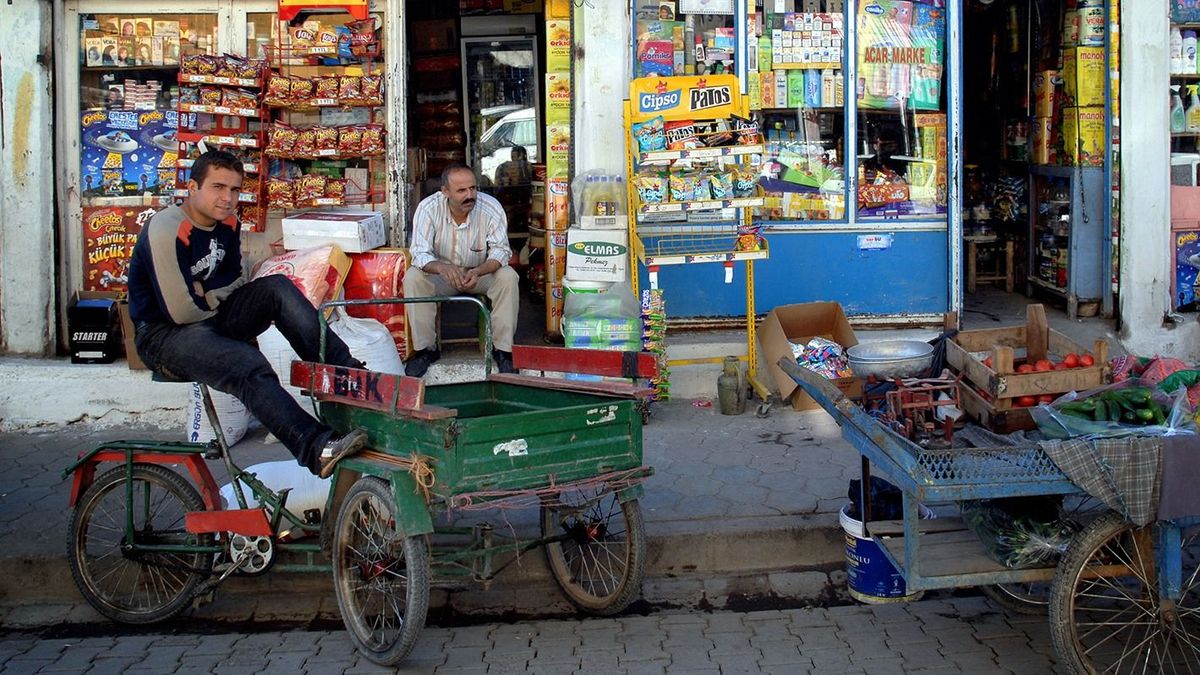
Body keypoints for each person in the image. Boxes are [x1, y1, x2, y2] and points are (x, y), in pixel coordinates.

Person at [127, 150, 367, 478]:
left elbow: (239, 277)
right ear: (192, 187)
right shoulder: (167, 227)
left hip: (209, 315)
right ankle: (316, 448)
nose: (228, 198)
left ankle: (350, 378)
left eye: (235, 190)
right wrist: (211, 295)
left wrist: (206, 291)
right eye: (218, 187)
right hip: (163, 334)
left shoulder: (228, 222)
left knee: (277, 288)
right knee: (247, 364)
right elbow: (180, 311)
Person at [403, 163, 520, 377]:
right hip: (443, 276)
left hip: (480, 274)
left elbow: (501, 252)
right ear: (445, 192)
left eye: (473, 188)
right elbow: (419, 253)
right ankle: (425, 350)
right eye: (462, 190)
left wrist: (479, 271)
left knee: (508, 277)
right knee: (413, 277)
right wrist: (442, 268)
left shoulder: (490, 207)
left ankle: (504, 351)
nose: (470, 195)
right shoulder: (428, 208)